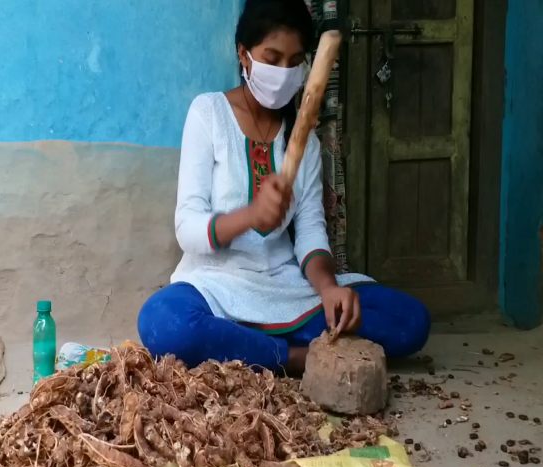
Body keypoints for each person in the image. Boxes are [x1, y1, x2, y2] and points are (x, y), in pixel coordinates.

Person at [138, 0, 429, 375]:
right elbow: (188, 230)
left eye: (294, 63)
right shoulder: (208, 113)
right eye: (271, 59)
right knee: (163, 323)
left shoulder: (303, 140)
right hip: (214, 286)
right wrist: (250, 216)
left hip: (285, 288)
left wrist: (327, 289)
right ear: (244, 55)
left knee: (411, 321)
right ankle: (293, 357)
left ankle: (246, 346)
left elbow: (310, 234)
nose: (283, 72)